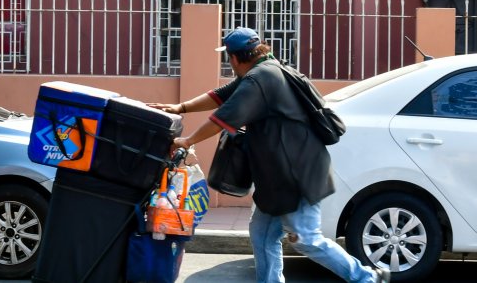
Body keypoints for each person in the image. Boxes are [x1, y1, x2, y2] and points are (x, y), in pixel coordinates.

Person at [148, 27, 388, 283]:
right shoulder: (266, 69)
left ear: (234, 58)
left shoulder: (259, 79)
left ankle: (367, 278)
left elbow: (222, 119)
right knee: (262, 234)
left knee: (307, 239)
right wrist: (181, 107)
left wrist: (187, 141)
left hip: (295, 175)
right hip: (278, 177)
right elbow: (221, 96)